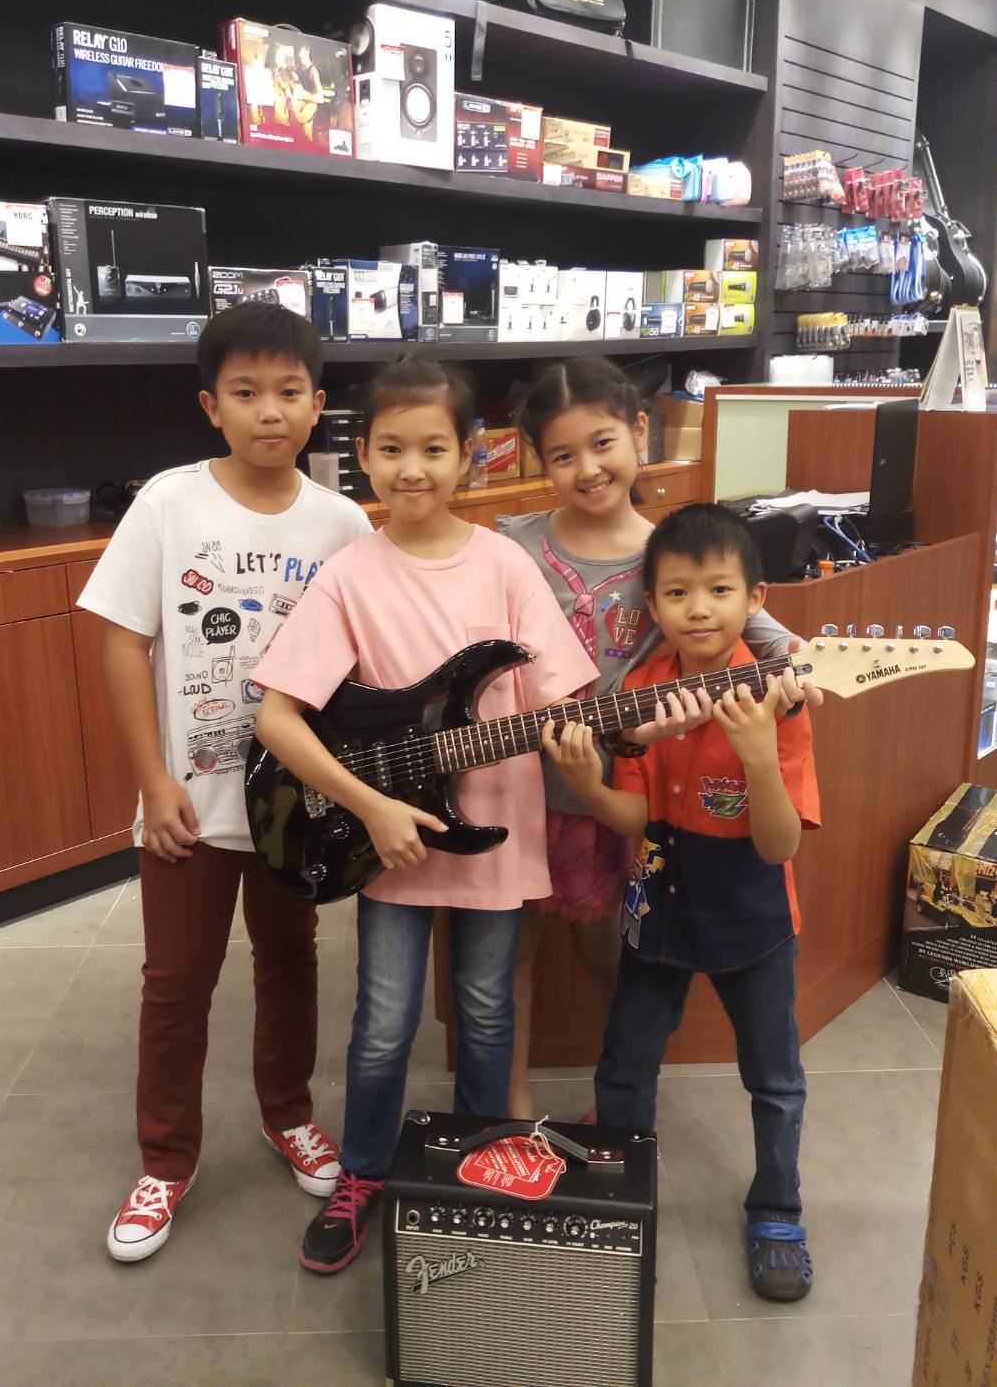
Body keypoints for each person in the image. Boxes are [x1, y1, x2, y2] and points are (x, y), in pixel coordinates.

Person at [253, 355, 597, 1275]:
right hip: (388, 842)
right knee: (383, 1021)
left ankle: (481, 1169)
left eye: (435, 448)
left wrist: (605, 732)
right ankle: (363, 1172)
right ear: (362, 455)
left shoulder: (506, 565)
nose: (413, 468)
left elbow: (562, 695)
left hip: (495, 832)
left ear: (469, 456)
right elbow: (276, 717)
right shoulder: (348, 576)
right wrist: (371, 807)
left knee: (485, 1011)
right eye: (393, 448)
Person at [78, 303, 372, 1263]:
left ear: (319, 404)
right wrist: (151, 780)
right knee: (175, 982)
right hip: (188, 806)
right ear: (211, 406)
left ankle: (287, 1113)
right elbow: (123, 643)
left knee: (291, 961)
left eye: (289, 392)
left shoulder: (343, 521)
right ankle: (166, 1159)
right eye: (245, 393)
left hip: (296, 806)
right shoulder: (169, 503)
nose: (269, 411)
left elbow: (361, 663)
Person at [500, 357, 817, 1121]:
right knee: (509, 949)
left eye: (602, 443)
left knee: (612, 947)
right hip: (514, 782)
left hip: (618, 787)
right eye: (562, 454)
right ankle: (509, 1098)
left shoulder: (670, 553)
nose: (587, 468)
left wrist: (799, 665)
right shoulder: (514, 543)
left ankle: (621, 1094)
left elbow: (768, 633)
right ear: (539, 460)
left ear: (639, 430)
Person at [545, 502, 820, 1302]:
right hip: (657, 902)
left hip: (753, 912)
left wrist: (759, 755)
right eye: (677, 593)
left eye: (719, 590)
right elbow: (634, 817)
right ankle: (618, 1189)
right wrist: (588, 785)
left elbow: (780, 846)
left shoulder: (779, 697)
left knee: (774, 1076)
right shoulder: (640, 688)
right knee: (625, 1060)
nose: (698, 609)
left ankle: (777, 1208)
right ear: (653, 605)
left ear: (755, 598)